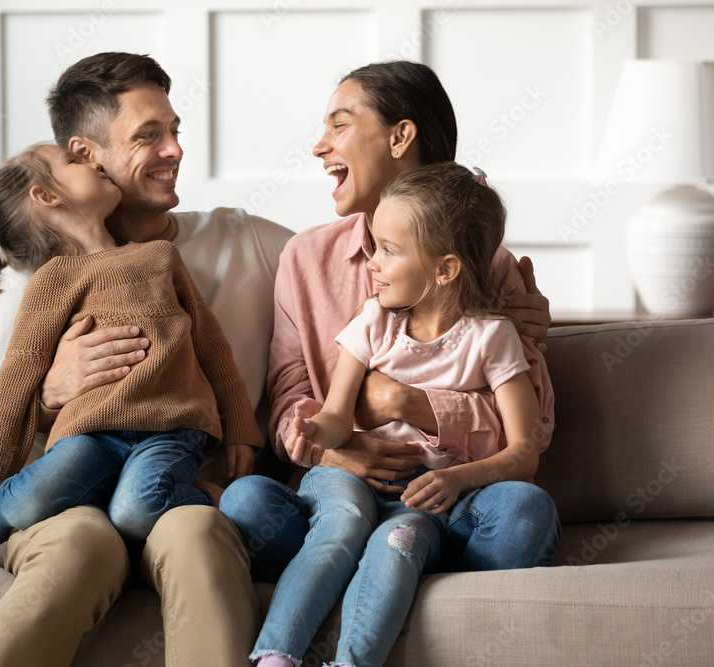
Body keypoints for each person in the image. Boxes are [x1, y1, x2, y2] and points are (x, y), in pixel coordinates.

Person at [0, 53, 295, 667]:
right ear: (85, 157)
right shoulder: (34, 277)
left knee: (192, 534)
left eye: (174, 130)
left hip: (176, 483)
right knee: (84, 543)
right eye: (148, 136)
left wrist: (504, 299)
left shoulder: (242, 238)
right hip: (70, 496)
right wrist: (52, 391)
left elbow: (372, 259)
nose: (175, 150)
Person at [220, 59, 560, 646]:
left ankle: (400, 556)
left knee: (523, 514)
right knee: (246, 502)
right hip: (340, 498)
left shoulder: (487, 266)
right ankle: (380, 562)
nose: (318, 146)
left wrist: (411, 403)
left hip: (448, 498)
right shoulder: (305, 259)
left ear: (401, 137)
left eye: (339, 125)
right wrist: (335, 452)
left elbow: (533, 430)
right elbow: (289, 399)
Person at [0, 142, 261, 557]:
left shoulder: (161, 258)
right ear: (47, 196)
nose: (94, 162)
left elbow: (213, 350)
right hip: (88, 435)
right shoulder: (51, 282)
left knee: (135, 512)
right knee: (27, 499)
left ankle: (204, 497)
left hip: (170, 428)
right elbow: (14, 384)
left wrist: (239, 427)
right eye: (75, 161)